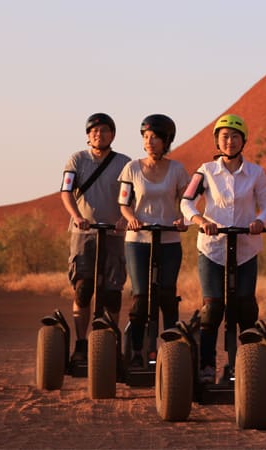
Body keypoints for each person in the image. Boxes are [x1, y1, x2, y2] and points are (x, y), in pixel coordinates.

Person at [180, 114, 266, 384]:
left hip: (245, 247)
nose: (230, 141)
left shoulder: (255, 173)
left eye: (235, 136)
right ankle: (207, 367)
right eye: (224, 137)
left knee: (245, 307)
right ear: (217, 141)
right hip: (212, 248)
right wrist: (201, 220)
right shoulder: (205, 171)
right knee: (213, 308)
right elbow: (187, 203)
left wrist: (259, 221)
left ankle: (245, 367)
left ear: (243, 140)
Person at [118, 114, 190, 368]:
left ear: (166, 140)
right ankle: (137, 349)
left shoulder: (178, 170)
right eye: (145, 137)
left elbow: (188, 201)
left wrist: (183, 218)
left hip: (169, 238)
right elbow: (124, 203)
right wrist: (132, 219)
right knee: (142, 296)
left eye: (155, 138)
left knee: (167, 295)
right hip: (138, 240)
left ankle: (171, 352)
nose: (149, 142)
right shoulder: (132, 168)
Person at [60, 113, 131, 365]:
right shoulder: (77, 159)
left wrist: (125, 218)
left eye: (104, 130)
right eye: (94, 131)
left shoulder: (124, 163)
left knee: (112, 291)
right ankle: (81, 344)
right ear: (88, 135)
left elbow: (129, 197)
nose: (99, 135)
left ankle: (110, 343)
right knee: (83, 288)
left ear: (112, 134)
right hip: (83, 234)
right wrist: (77, 216)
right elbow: (66, 191)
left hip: (113, 234)